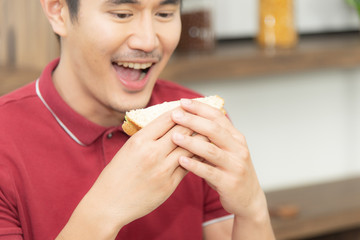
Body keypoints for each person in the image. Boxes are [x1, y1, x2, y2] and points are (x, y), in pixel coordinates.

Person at [0, 0, 275, 239]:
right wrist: (103, 212)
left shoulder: (198, 124)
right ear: (58, 11)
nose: (148, 41)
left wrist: (253, 210)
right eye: (122, 13)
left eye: (165, 14)